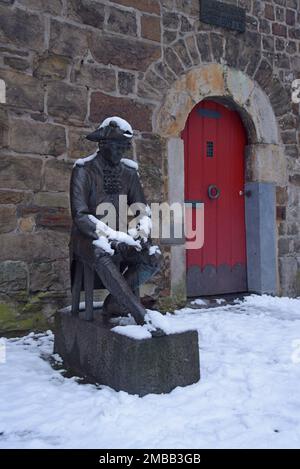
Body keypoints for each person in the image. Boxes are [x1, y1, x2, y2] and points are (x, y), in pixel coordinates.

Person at [69, 116, 162, 326]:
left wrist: (142, 231)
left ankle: (115, 302)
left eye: (124, 148)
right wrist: (109, 236)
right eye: (117, 148)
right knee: (102, 253)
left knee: (152, 256)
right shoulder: (83, 170)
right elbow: (80, 214)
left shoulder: (129, 172)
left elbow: (142, 208)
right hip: (88, 237)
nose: (121, 153)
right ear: (102, 145)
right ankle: (141, 316)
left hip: (120, 234)